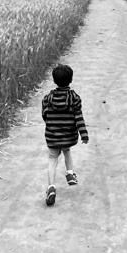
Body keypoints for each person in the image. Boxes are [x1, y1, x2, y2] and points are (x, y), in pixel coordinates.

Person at [40, 62, 89, 206]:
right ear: (71, 80)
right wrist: (84, 134)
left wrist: (51, 125)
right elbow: (78, 117)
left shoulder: (47, 98)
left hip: (52, 135)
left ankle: (51, 187)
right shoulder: (74, 98)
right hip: (68, 135)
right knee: (66, 150)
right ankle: (70, 173)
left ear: (54, 80)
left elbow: (45, 115)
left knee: (52, 158)